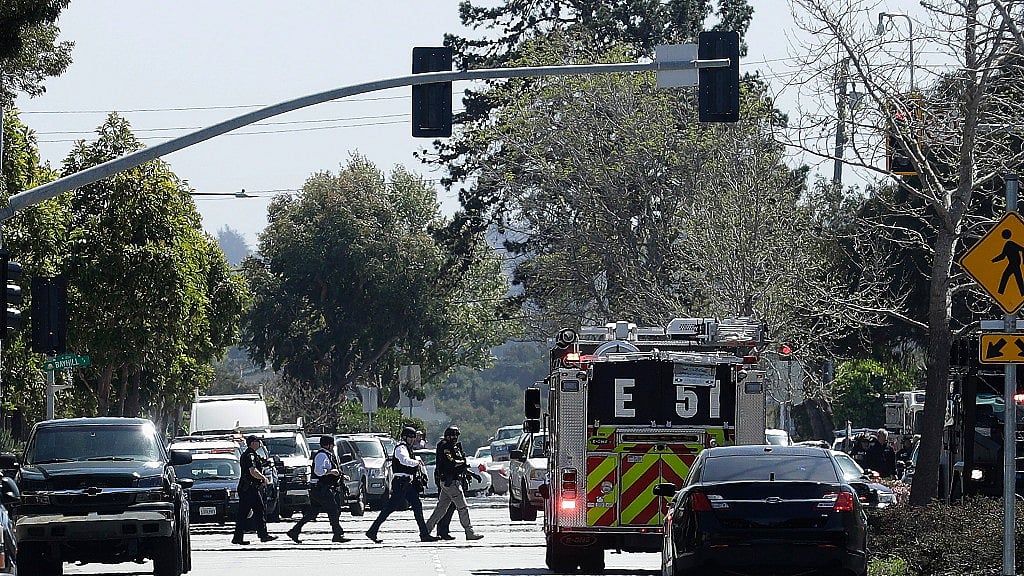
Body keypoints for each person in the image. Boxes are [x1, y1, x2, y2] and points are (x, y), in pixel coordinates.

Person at [364, 427, 440, 543]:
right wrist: (417, 462)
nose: (412, 439)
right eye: (410, 437)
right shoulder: (401, 448)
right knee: (389, 508)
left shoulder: (409, 449)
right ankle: (372, 531)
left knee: (417, 507)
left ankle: (424, 534)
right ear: (405, 437)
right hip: (400, 482)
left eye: (413, 437)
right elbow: (404, 460)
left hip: (407, 483)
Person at [286, 435, 350, 544]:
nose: (333, 446)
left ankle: (294, 531)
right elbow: (319, 471)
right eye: (331, 444)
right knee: (334, 510)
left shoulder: (328, 455)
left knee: (313, 512)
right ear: (327, 445)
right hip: (321, 489)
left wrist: (340, 475)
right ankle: (337, 534)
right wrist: (331, 472)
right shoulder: (321, 455)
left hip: (321, 489)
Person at [425, 426, 484, 540]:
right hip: (450, 482)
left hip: (452, 481)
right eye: (453, 435)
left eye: (456, 435)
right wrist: (461, 463)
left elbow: (461, 464)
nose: (455, 438)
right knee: (463, 507)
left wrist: (472, 473)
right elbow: (451, 463)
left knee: (441, 509)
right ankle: (469, 531)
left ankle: (426, 530)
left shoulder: (455, 447)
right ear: (447, 436)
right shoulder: (444, 446)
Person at [232, 435, 277, 545]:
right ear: (252, 443)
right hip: (249, 489)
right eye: (258, 441)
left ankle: (262, 535)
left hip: (250, 488)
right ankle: (258, 535)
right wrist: (264, 478)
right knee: (248, 512)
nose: (260, 443)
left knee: (257, 510)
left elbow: (260, 465)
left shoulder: (253, 454)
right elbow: (253, 471)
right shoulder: (249, 455)